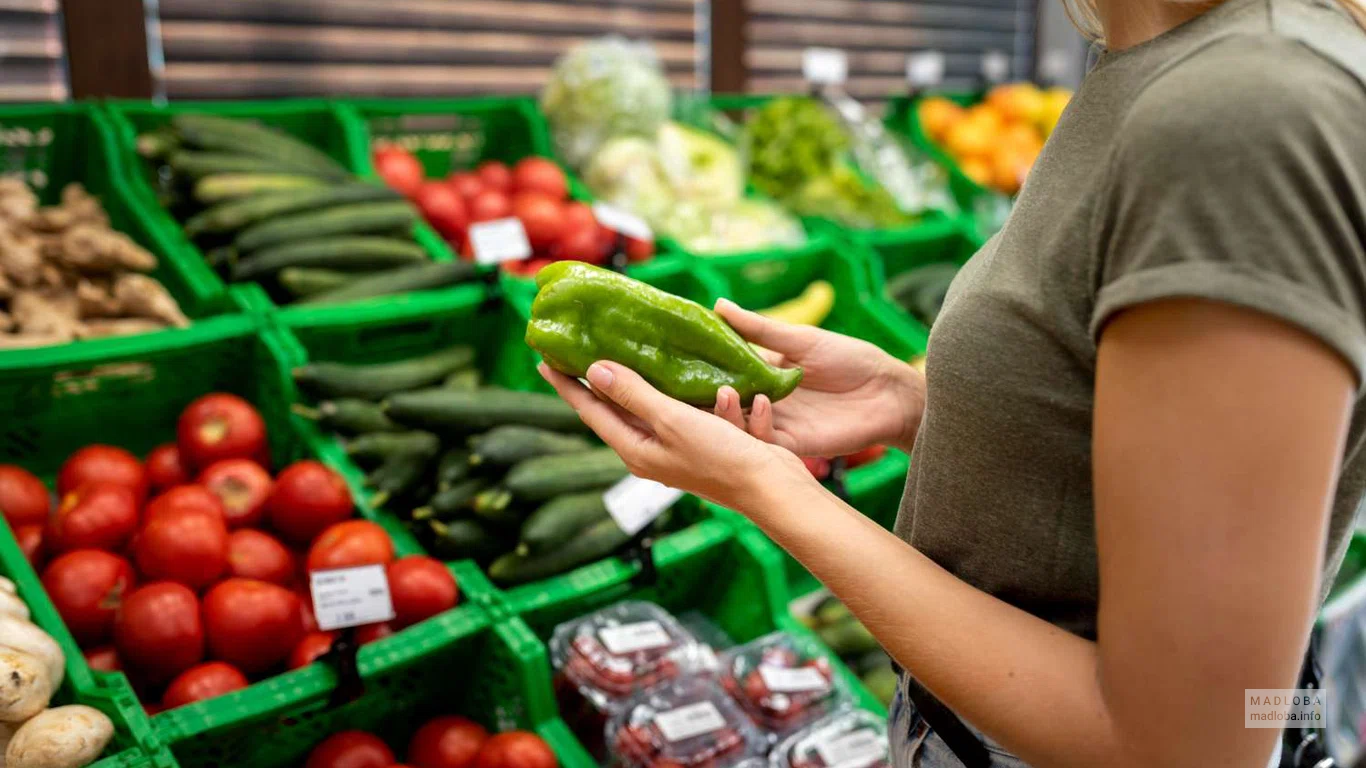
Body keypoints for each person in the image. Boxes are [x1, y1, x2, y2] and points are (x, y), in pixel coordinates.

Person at [539, 0, 1366, 764]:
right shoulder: (1147, 52)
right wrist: (916, 406)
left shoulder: (1246, 114)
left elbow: (1181, 746)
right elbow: (1135, 458)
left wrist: (771, 493)